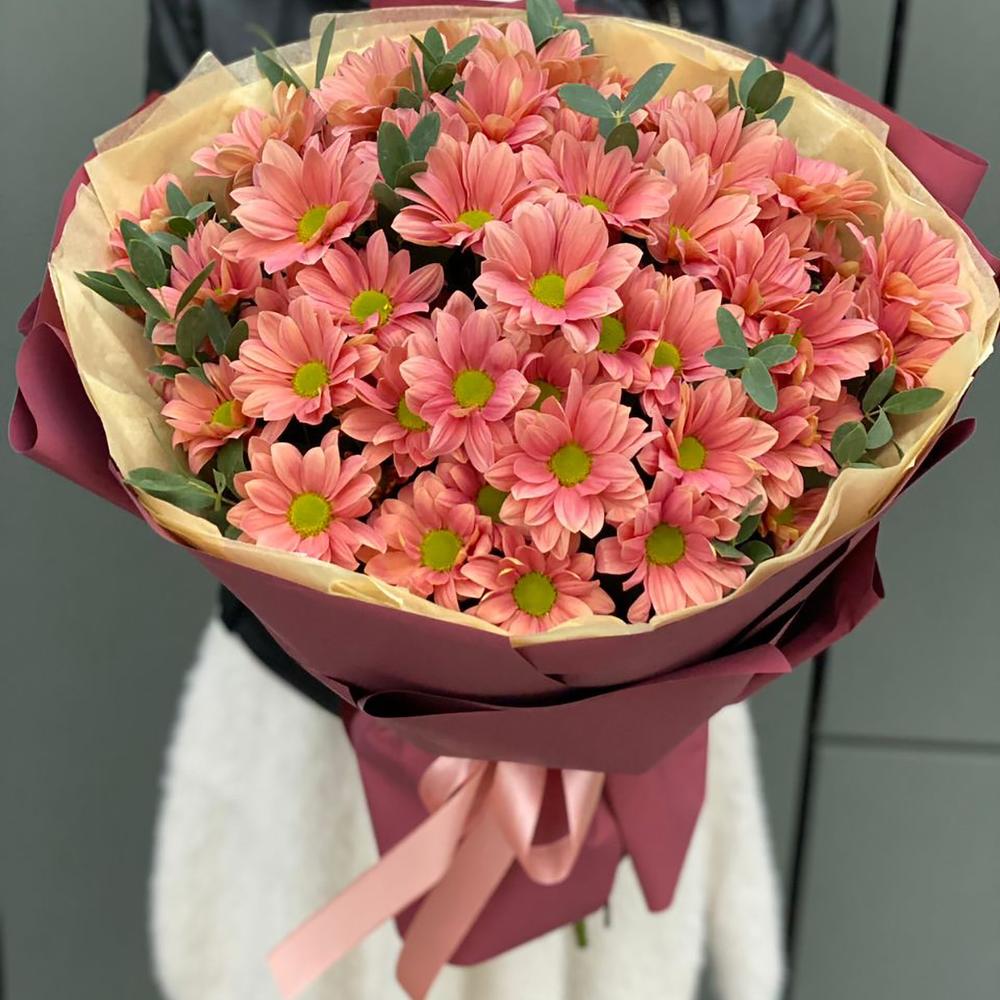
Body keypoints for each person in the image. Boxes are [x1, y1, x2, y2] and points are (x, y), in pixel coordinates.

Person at [148, 3, 835, 996]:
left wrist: (589, 669)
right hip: (308, 732)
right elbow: (176, 251)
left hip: (631, 711)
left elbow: (805, 240)